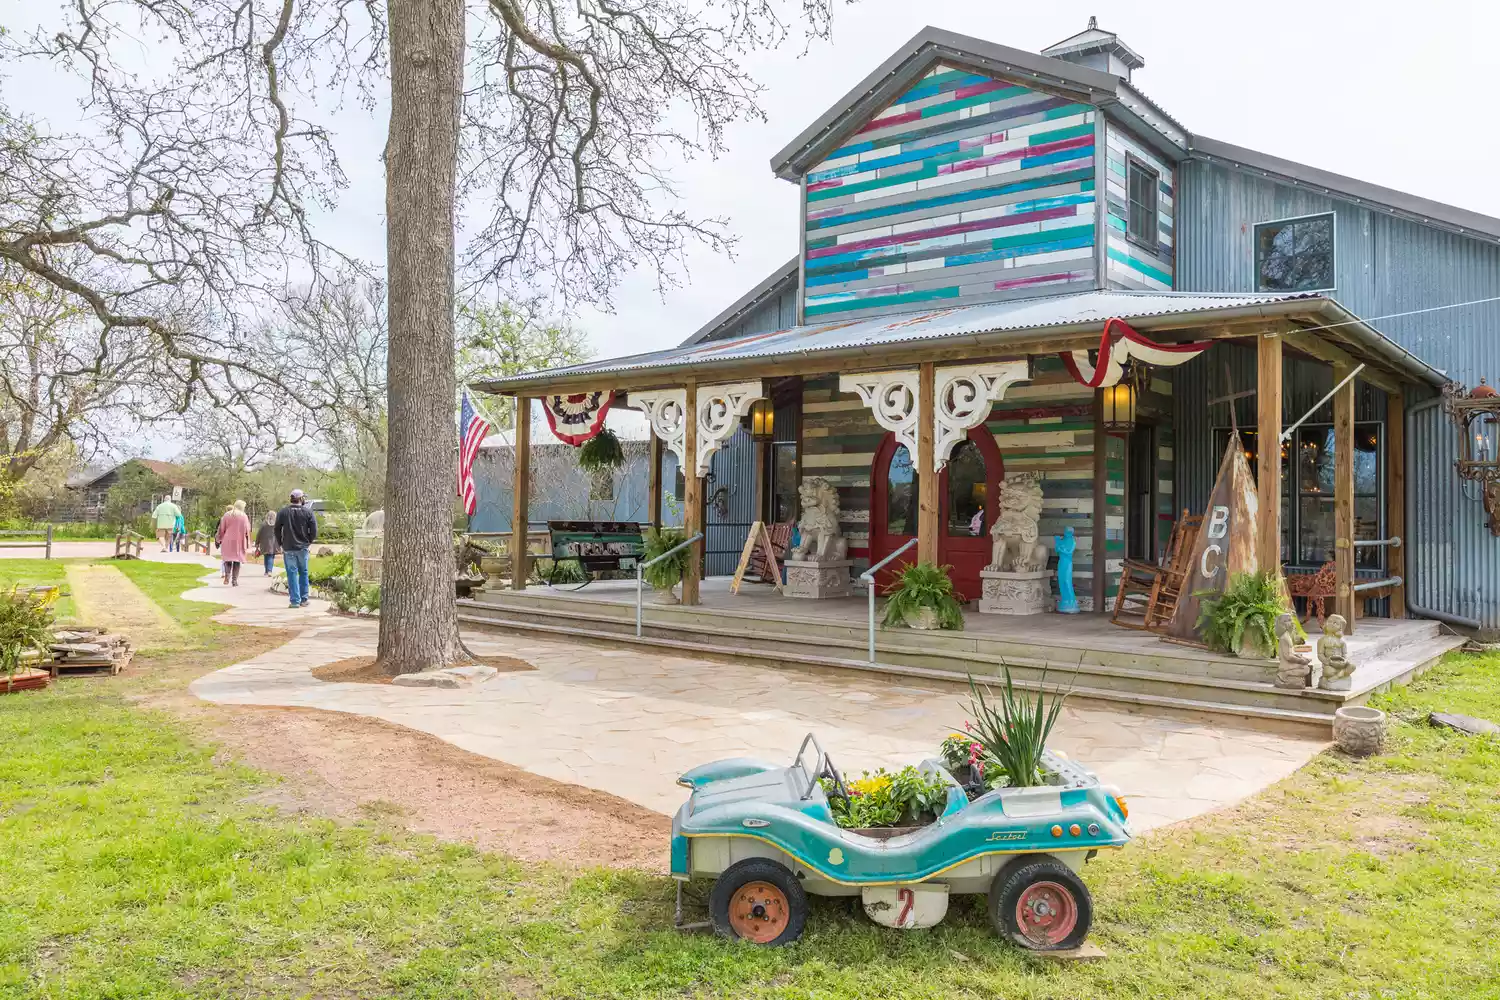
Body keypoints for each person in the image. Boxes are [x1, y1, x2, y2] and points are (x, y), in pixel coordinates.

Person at [275, 489, 318, 608]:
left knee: (292, 574)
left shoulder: (283, 512)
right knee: (303, 572)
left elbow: (277, 529)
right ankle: (304, 599)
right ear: (301, 499)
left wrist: (280, 543)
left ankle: (295, 601)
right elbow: (314, 530)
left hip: (288, 547)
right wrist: (308, 541)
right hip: (302, 547)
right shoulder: (308, 512)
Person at [217, 500, 251, 586]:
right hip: (239, 541)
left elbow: (221, 529)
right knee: (237, 561)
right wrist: (248, 541)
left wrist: (219, 538)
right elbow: (247, 530)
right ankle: (234, 580)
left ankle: (227, 576)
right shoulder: (244, 516)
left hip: (227, 540)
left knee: (228, 560)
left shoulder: (227, 515)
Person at [254, 510, 279, 576]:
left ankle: (266, 571)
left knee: (266, 557)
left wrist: (257, 543)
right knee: (271, 556)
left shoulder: (264, 524)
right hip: (274, 544)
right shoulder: (277, 524)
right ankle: (269, 571)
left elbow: (259, 534)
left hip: (264, 544)